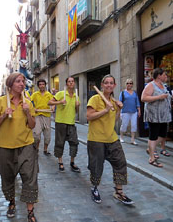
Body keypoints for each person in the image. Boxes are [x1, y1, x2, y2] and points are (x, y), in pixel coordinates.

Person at [0, 72, 37, 222]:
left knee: (30, 177)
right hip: (6, 147)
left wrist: (28, 112)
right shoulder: (0, 102)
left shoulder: (28, 102)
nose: (22, 84)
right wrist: (3, 115)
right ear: (10, 84)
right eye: (18, 81)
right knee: (8, 177)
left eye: (23, 81)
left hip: (26, 144)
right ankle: (11, 202)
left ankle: (30, 211)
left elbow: (32, 125)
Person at [86, 74, 133, 205]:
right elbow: (89, 116)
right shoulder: (95, 99)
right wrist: (105, 110)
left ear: (114, 86)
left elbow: (114, 120)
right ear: (102, 85)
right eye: (106, 83)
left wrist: (118, 109)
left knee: (120, 162)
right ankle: (94, 188)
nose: (108, 85)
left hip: (111, 138)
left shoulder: (113, 101)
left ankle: (119, 191)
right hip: (96, 139)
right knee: (96, 166)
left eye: (111, 83)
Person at [48, 77, 80, 173]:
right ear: (66, 84)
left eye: (72, 81)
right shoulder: (61, 93)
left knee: (74, 143)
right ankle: (60, 162)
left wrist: (77, 106)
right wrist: (60, 102)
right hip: (61, 122)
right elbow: (49, 102)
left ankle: (72, 162)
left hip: (71, 122)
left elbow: (77, 112)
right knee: (60, 142)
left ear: (74, 83)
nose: (71, 83)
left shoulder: (76, 96)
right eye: (69, 81)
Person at [141, 68, 172, 168]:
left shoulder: (164, 86)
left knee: (163, 135)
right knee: (153, 136)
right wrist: (159, 97)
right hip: (154, 115)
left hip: (163, 116)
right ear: (159, 75)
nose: (165, 76)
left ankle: (150, 148)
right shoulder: (151, 85)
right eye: (164, 75)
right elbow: (143, 98)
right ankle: (152, 158)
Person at [31, 79, 54, 155]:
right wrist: (33, 108)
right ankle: (37, 149)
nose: (41, 86)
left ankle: (45, 150)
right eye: (40, 84)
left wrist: (53, 107)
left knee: (47, 136)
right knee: (36, 135)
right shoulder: (35, 94)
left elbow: (53, 102)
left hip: (47, 116)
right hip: (37, 116)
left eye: (43, 84)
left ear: (45, 85)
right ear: (38, 86)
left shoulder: (49, 94)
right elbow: (29, 102)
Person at [119, 78, 141, 145]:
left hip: (134, 112)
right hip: (125, 111)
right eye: (127, 83)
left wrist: (139, 110)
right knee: (124, 125)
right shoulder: (122, 93)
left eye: (130, 83)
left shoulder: (135, 93)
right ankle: (121, 137)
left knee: (134, 125)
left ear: (132, 84)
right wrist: (119, 112)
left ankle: (132, 139)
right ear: (126, 84)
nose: (129, 84)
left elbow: (137, 102)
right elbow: (120, 103)